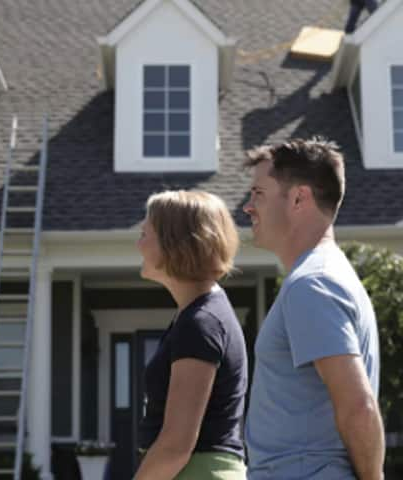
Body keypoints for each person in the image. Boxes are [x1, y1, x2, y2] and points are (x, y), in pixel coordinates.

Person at [243, 138, 384, 480]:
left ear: (298, 198)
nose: (247, 206)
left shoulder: (313, 284)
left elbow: (358, 407)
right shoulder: (319, 277)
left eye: (258, 193)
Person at [134, 190, 248, 480]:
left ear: (174, 244)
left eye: (145, 233)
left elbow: (176, 444)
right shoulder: (200, 315)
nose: (139, 245)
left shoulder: (201, 323)